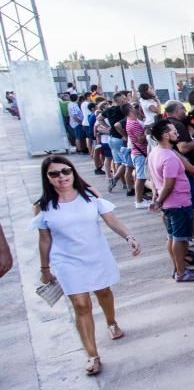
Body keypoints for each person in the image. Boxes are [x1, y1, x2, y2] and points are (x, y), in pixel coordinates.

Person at [32, 156, 142, 374]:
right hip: (66, 261)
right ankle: (92, 355)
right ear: (47, 178)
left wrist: (128, 237)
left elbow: (111, 219)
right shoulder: (42, 206)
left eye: (65, 171)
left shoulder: (89, 195)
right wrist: (45, 269)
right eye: (54, 174)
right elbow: (44, 239)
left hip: (96, 254)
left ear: (73, 172)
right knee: (81, 305)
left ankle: (111, 322)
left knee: (103, 292)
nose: (61, 177)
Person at [147, 119, 194, 282]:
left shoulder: (156, 153)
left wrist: (157, 199)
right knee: (179, 239)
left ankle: (179, 269)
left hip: (171, 203)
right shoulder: (169, 157)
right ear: (165, 135)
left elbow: (155, 179)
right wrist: (158, 201)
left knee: (173, 236)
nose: (177, 134)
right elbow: (169, 183)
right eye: (173, 132)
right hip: (177, 203)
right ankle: (181, 272)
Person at [106, 92, 134, 195]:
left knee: (120, 162)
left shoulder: (110, 109)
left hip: (112, 138)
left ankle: (122, 182)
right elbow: (118, 125)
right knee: (126, 163)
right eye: (123, 99)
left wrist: (108, 127)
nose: (126, 100)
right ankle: (126, 184)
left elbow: (99, 117)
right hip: (119, 139)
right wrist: (125, 136)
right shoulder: (123, 110)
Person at [123, 104, 151, 209]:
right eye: (132, 107)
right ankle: (138, 200)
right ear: (130, 110)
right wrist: (147, 132)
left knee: (141, 177)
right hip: (140, 154)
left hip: (138, 153)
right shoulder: (133, 123)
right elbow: (141, 139)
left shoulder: (131, 122)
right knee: (141, 177)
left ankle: (139, 199)